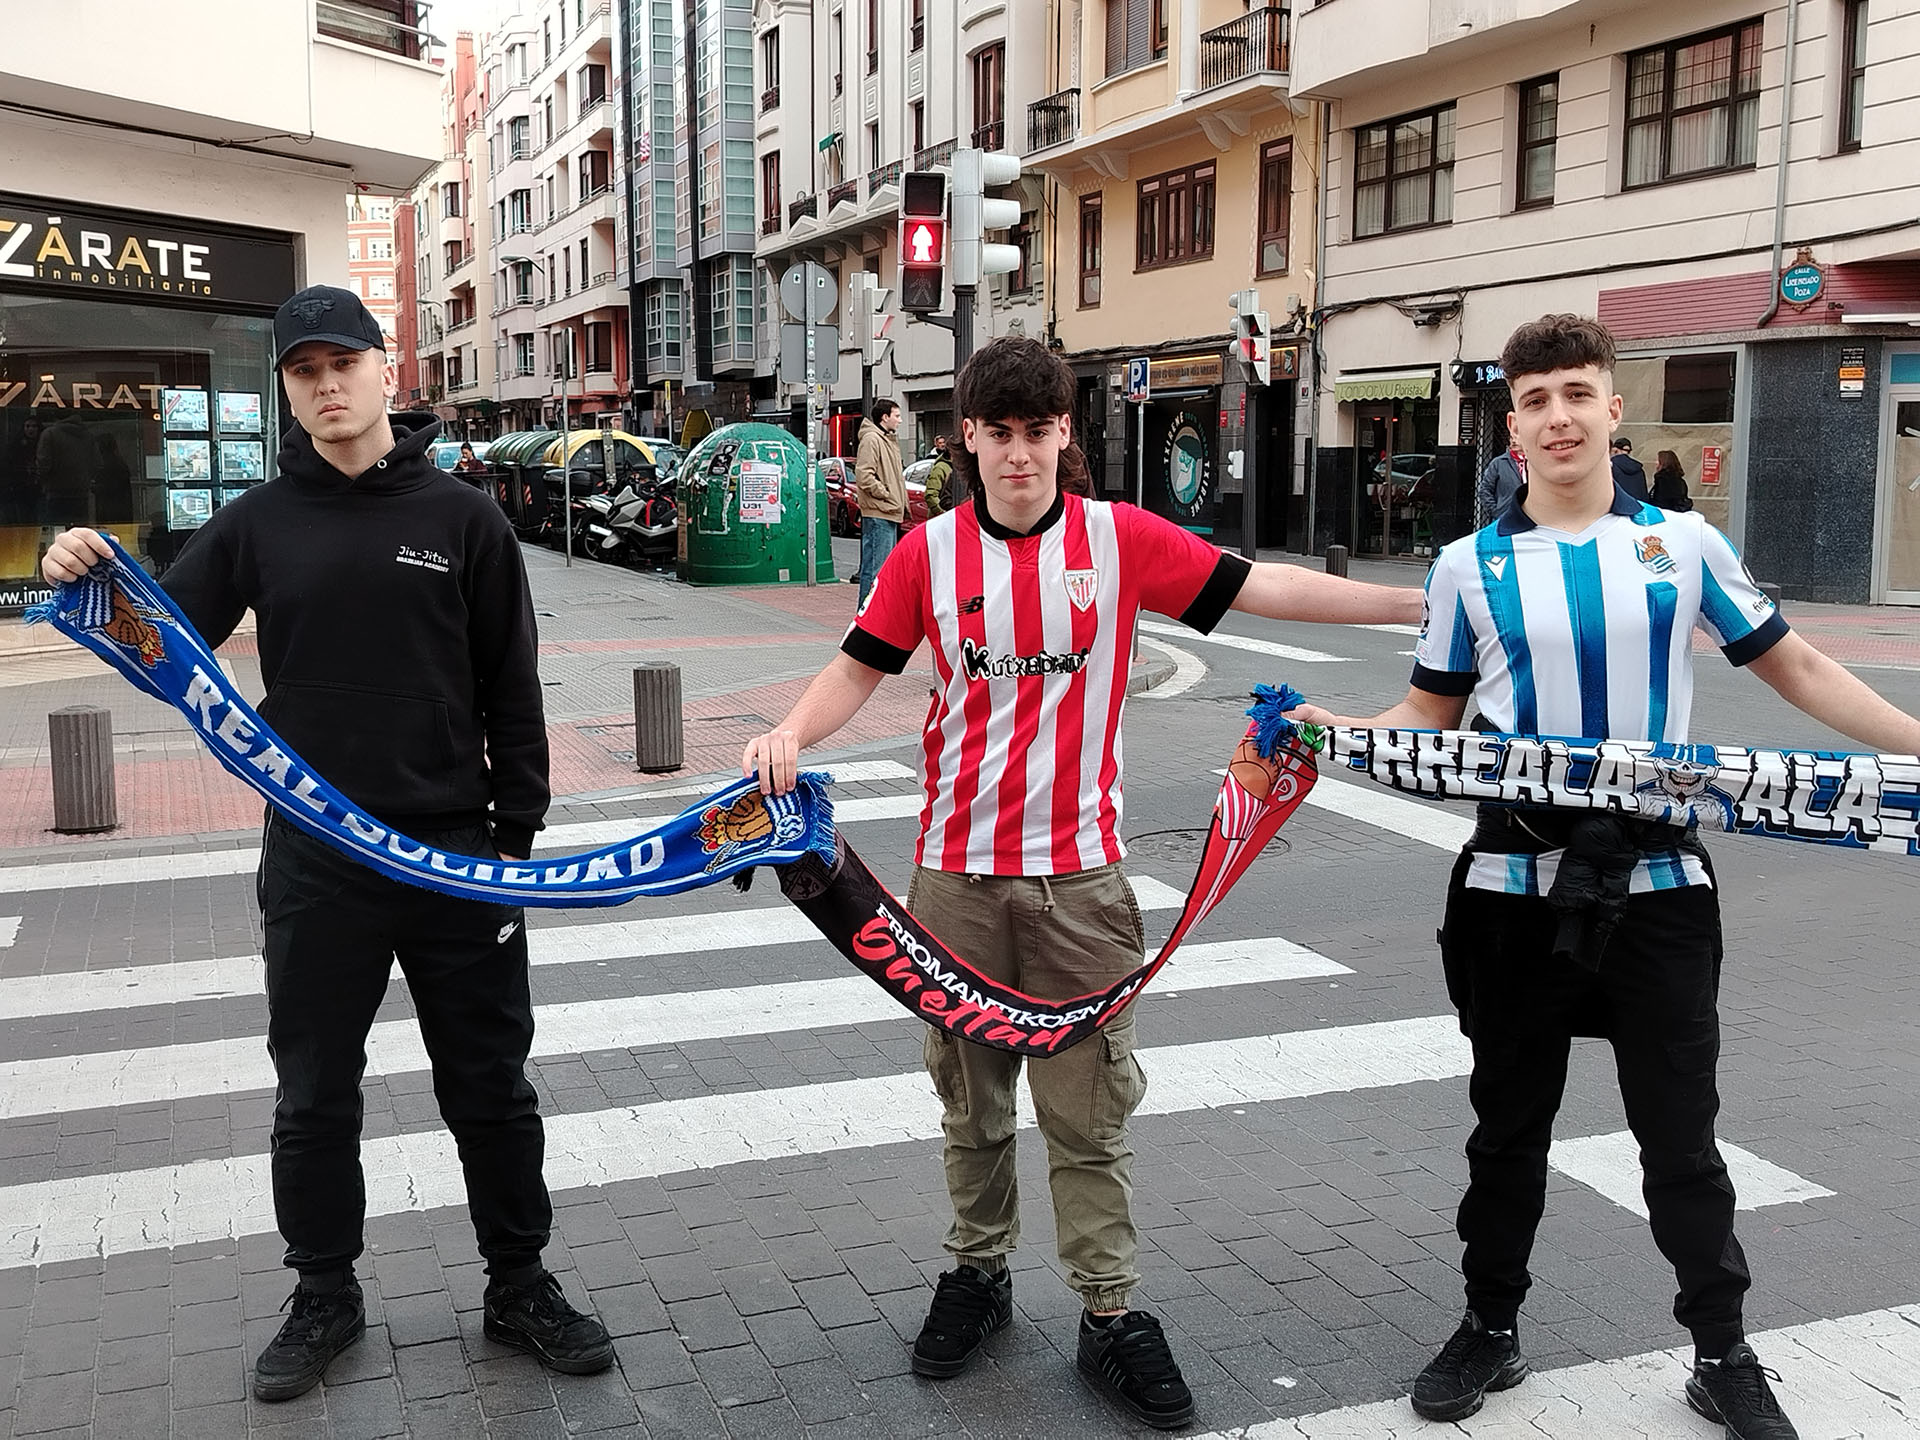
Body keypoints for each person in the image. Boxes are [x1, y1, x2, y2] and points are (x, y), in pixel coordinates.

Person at [740, 336, 1423, 1430]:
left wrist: (1417, 603)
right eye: (997, 434)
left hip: (1082, 881)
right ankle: (978, 1275)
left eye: (1037, 432)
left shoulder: (1118, 541)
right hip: (953, 879)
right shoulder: (926, 555)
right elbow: (855, 670)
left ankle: (1108, 1313)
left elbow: (1266, 587)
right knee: (970, 1107)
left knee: (1089, 1114)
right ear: (966, 438)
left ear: (1066, 433)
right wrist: (787, 731)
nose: (1018, 454)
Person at [1286, 315, 1920, 1440]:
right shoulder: (1464, 566)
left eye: (1578, 394)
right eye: (1536, 401)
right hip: (1509, 888)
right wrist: (1324, 736)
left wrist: (1914, 743)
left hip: (1659, 884)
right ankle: (1490, 1326)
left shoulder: (1684, 547)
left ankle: (1721, 1353)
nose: (1559, 417)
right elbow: (1427, 712)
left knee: (1679, 1133)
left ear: (1612, 410)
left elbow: (1800, 666)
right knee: (1506, 1127)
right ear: (1513, 425)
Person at [40, 284, 613, 1401]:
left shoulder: (465, 520)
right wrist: (83, 571)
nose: (326, 385)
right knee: (313, 1095)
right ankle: (324, 1296)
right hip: (315, 858)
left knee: (490, 1087)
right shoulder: (256, 525)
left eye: (342, 362)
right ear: (290, 393)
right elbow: (160, 635)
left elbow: (514, 690)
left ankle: (519, 1282)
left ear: (387, 371)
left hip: (456, 854)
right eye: (303, 371)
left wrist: (516, 845)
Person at [854, 397, 907, 605]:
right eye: (897, 416)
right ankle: (866, 618)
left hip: (888, 511)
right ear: (885, 417)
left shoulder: (885, 440)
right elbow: (864, 475)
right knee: (875, 569)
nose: (900, 420)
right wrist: (886, 494)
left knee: (881, 570)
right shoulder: (872, 439)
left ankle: (871, 617)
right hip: (880, 513)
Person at [1475, 445, 1525, 529]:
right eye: (1511, 438)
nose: (1513, 441)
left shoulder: (1534, 463)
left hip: (1530, 517)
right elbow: (1485, 490)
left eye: (1517, 437)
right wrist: (1497, 511)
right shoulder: (1498, 463)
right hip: (1505, 517)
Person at [1610, 435, 1650, 503]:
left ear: (1615, 449)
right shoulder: (1639, 468)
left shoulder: (1612, 466)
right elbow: (1643, 494)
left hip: (1619, 505)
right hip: (1637, 506)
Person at [924, 433, 953, 518]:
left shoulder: (958, 467)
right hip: (941, 519)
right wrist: (941, 512)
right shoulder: (940, 468)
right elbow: (931, 495)